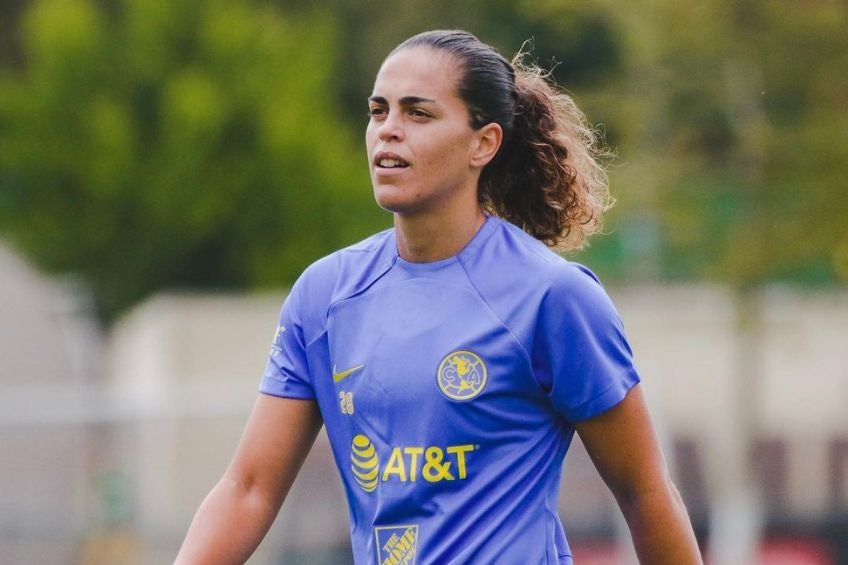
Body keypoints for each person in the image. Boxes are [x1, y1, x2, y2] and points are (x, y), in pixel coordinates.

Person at [175, 30, 703, 564]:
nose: (388, 132)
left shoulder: (551, 296)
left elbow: (646, 493)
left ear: (484, 143)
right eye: (378, 112)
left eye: (418, 114)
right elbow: (248, 489)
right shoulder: (324, 296)